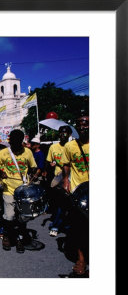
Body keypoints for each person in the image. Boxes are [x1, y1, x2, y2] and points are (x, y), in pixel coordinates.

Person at [0, 129, 42, 253]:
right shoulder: (3, 153)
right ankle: (7, 236)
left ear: (21, 141)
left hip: (23, 190)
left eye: (18, 142)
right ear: (10, 141)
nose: (15, 145)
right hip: (8, 189)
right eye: (13, 142)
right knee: (9, 216)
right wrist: (1, 172)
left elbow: (33, 167)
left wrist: (32, 177)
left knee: (22, 217)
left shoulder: (28, 152)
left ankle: (19, 238)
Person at [61, 116, 89, 277]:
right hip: (79, 192)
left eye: (86, 124)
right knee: (79, 228)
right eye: (79, 124)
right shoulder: (70, 146)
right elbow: (66, 164)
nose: (83, 127)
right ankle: (81, 259)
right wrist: (66, 181)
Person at [45, 125, 72, 237]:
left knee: (68, 205)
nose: (62, 135)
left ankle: (65, 224)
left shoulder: (72, 146)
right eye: (60, 132)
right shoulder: (53, 147)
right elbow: (48, 162)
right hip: (58, 178)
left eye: (65, 133)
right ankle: (56, 226)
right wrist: (50, 165)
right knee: (59, 204)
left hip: (71, 178)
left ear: (69, 134)